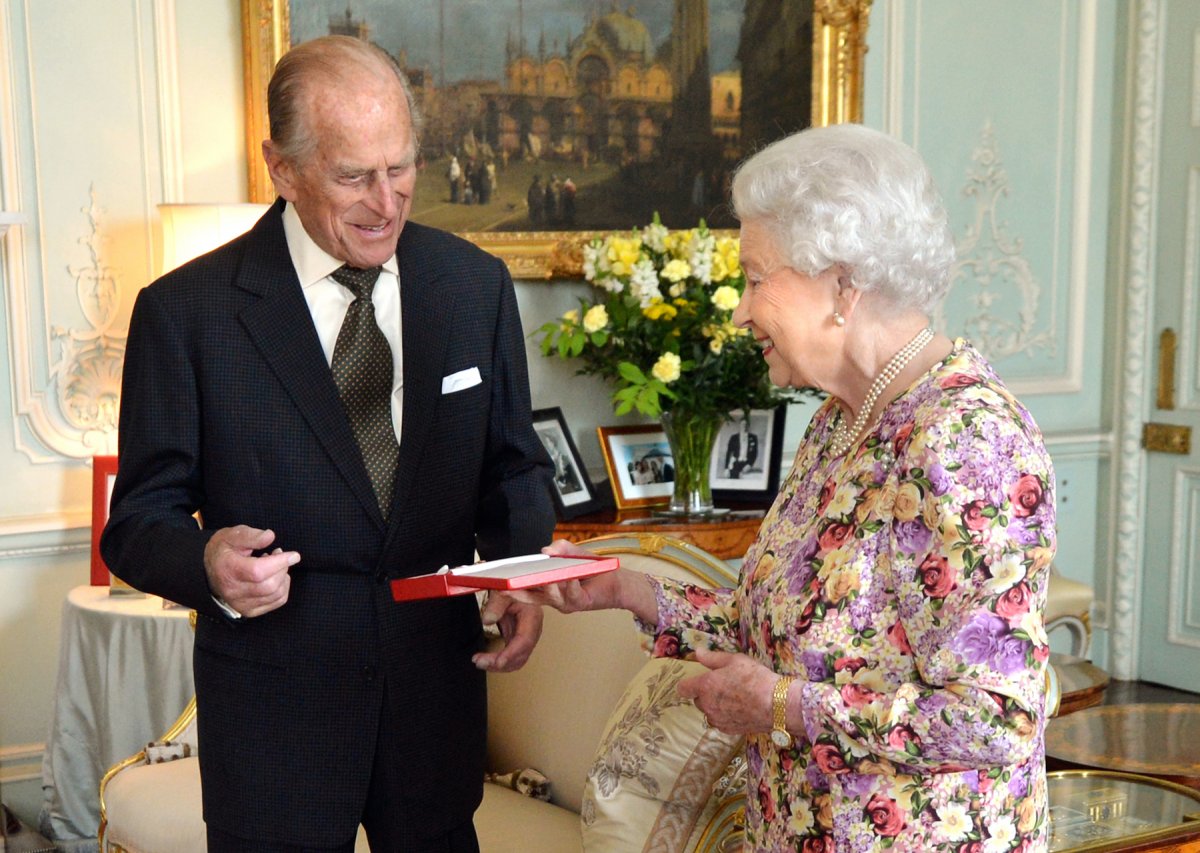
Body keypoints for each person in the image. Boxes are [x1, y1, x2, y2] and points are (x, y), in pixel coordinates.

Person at [515, 124, 1056, 850]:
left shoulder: (966, 440)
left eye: (756, 278)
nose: (740, 309)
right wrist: (625, 589)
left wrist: (781, 706)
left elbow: (995, 717)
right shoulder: (842, 420)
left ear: (841, 284)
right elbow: (785, 629)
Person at [100, 35, 555, 853]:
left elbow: (513, 465)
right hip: (277, 726)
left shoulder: (472, 284)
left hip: (434, 714)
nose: (387, 202)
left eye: (402, 167)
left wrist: (518, 574)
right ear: (282, 168)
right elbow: (138, 519)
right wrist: (207, 564)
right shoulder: (187, 313)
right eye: (353, 176)